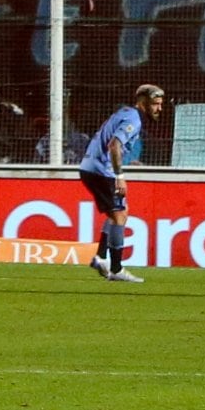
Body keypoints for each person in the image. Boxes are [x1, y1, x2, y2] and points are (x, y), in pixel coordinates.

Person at [78, 85, 164, 284]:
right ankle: (116, 268)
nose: (159, 109)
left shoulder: (124, 113)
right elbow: (114, 145)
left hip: (90, 167)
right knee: (119, 215)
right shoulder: (133, 118)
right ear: (143, 103)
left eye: (160, 104)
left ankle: (101, 258)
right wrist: (120, 175)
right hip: (101, 170)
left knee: (120, 212)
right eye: (155, 104)